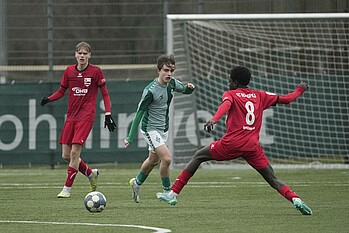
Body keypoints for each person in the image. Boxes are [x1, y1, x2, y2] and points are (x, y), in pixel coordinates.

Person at [157, 66, 313, 215]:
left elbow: (226, 105)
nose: (228, 83)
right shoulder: (260, 95)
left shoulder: (231, 94)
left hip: (231, 144)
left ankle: (173, 193)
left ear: (236, 83)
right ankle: (296, 199)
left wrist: (214, 119)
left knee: (199, 156)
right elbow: (286, 99)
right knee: (273, 179)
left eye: (230, 80)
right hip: (252, 147)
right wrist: (299, 90)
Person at [41, 41, 116, 198]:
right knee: (66, 156)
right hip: (71, 116)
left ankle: (66, 189)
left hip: (86, 116)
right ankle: (90, 173)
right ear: (75, 55)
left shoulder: (96, 72)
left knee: (75, 152)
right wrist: (49, 99)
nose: (82, 56)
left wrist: (108, 113)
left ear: (89, 55)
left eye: (85, 53)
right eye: (79, 53)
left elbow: (106, 94)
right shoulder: (69, 71)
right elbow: (61, 91)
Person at [124, 54, 195, 203]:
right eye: (166, 70)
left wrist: (190, 88)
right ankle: (167, 192)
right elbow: (139, 114)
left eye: (171, 70)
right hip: (150, 129)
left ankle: (136, 182)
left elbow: (184, 90)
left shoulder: (172, 83)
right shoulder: (150, 91)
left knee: (153, 160)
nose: (169, 74)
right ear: (159, 71)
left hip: (163, 128)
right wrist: (130, 136)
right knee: (167, 159)